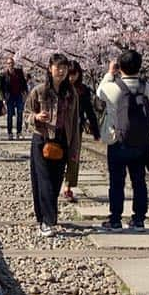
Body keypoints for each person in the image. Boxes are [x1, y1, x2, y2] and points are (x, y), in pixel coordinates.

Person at [96, 50, 149, 231]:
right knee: (139, 181)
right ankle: (139, 220)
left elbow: (99, 93)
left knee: (116, 182)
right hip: (141, 142)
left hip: (118, 141)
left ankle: (115, 220)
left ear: (119, 67)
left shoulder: (112, 87)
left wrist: (109, 73)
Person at [26, 53, 82, 238]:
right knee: (43, 181)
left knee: (56, 181)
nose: (61, 71)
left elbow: (74, 122)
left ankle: (46, 216)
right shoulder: (39, 91)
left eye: (64, 68)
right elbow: (26, 114)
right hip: (42, 139)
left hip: (62, 141)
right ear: (49, 69)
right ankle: (46, 221)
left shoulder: (71, 93)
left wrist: (74, 148)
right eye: (58, 67)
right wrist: (35, 117)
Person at [63, 60, 101, 202]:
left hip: (76, 128)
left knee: (73, 158)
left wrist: (95, 130)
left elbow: (89, 110)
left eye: (75, 75)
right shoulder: (61, 88)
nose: (72, 78)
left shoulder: (83, 90)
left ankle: (68, 187)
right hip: (61, 128)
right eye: (70, 75)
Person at [0, 56, 28, 140]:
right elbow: (1, 87)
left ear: (14, 64)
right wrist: (3, 98)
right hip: (9, 97)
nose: (10, 65)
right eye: (8, 63)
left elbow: (24, 83)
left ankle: (19, 132)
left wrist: (25, 92)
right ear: (7, 65)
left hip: (18, 95)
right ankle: (10, 133)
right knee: (9, 115)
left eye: (11, 63)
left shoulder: (19, 72)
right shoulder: (4, 74)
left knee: (19, 114)